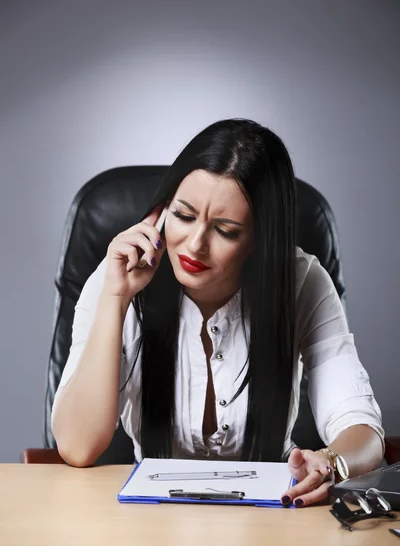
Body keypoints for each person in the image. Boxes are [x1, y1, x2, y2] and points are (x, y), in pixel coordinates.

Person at [51, 118, 384, 507]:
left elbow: (361, 427)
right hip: (149, 518)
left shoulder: (301, 281)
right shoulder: (115, 276)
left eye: (225, 230)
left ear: (262, 239)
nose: (194, 244)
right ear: (161, 210)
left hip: (273, 515)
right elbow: (77, 447)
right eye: (183, 215)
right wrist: (116, 297)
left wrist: (331, 462)